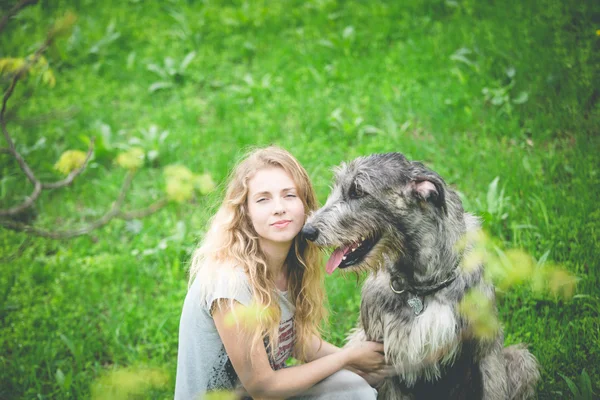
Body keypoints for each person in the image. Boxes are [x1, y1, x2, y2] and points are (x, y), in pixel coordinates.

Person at [175, 146, 388, 400]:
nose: (279, 208)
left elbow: (297, 341)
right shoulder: (230, 281)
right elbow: (263, 388)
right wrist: (348, 356)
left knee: (352, 387)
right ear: (245, 212)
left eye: (289, 195)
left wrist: (363, 365)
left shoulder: (291, 265)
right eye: (263, 199)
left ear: (305, 204)